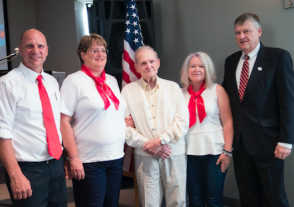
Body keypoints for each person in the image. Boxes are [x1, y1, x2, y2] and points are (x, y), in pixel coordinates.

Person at [222, 13, 294, 207]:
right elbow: (225, 101)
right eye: (238, 32)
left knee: (274, 196)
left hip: (269, 143)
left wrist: (286, 141)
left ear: (259, 31)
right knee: (248, 196)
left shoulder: (279, 57)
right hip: (241, 144)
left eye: (247, 31)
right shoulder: (231, 62)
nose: (242, 36)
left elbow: (288, 101)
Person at [0, 29, 67, 206]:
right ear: (20, 49)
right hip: (27, 170)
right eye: (29, 46)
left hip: (56, 165)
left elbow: (55, 124)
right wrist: (15, 175)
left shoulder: (51, 82)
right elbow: (1, 134)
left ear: (47, 50)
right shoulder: (5, 84)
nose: (36, 50)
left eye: (40, 46)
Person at [60, 33, 127, 207]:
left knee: (111, 204)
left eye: (103, 50)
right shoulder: (73, 81)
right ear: (82, 54)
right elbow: (63, 122)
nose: (100, 54)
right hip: (89, 160)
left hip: (115, 156)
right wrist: (72, 157)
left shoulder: (111, 80)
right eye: (94, 50)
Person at [121, 46, 189, 207]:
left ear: (158, 63)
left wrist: (160, 142)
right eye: (143, 63)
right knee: (149, 202)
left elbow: (182, 121)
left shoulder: (173, 88)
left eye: (151, 61)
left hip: (173, 152)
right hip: (145, 155)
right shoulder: (128, 91)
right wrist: (148, 145)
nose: (148, 66)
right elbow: (124, 126)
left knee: (177, 200)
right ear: (136, 67)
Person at [180, 52, 233, 207]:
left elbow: (228, 122)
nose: (197, 69)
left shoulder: (217, 90)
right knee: (195, 199)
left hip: (215, 153)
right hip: (188, 153)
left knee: (214, 200)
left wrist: (227, 152)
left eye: (201, 66)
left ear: (208, 70)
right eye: (193, 66)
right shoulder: (179, 93)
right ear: (186, 70)